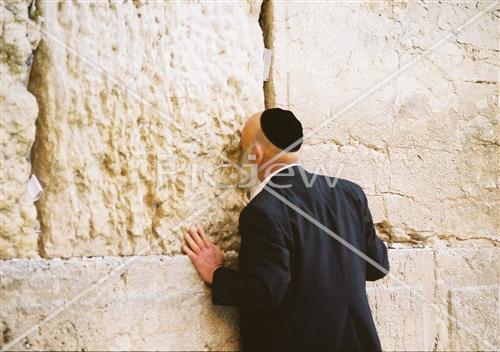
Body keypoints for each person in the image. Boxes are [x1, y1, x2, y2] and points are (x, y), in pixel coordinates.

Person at [182, 108, 389, 351]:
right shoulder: (349, 193)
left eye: (242, 149)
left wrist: (216, 273)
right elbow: (377, 265)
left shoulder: (262, 210)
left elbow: (266, 291)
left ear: (256, 154)